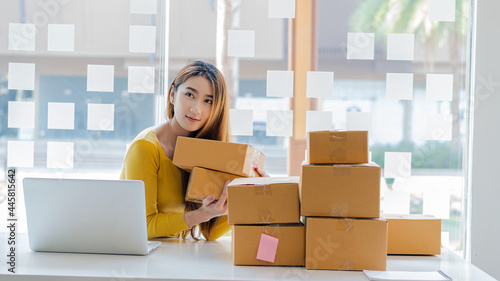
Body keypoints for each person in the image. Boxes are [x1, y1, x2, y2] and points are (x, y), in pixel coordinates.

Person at [120, 60, 267, 241]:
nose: (196, 109)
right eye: (189, 94)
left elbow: (210, 232)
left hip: (177, 255)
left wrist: (248, 198)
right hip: (142, 255)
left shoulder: (205, 151)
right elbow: (144, 226)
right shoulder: (145, 148)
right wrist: (200, 214)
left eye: (208, 101)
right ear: (172, 95)